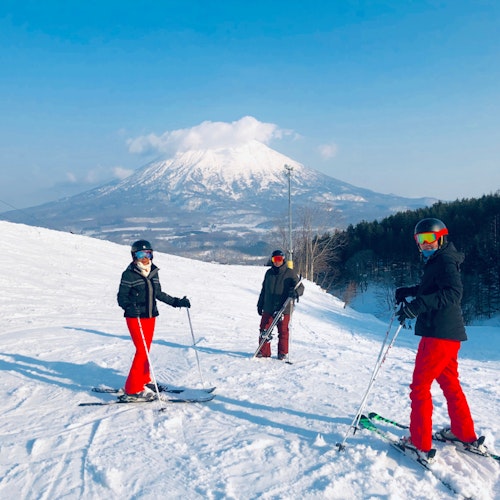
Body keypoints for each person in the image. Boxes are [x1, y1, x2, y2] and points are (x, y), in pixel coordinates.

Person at [395, 218, 485, 462]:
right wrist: (411, 291)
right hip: (448, 334)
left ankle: (419, 442)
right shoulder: (440, 259)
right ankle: (462, 432)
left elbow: (453, 293)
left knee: (419, 387)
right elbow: (434, 287)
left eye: (428, 239)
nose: (424, 245)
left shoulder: (444, 260)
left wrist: (419, 305)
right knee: (450, 384)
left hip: (438, 334)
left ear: (441, 238)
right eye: (419, 240)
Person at [117, 239, 191, 402]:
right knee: (141, 351)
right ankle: (132, 389)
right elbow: (121, 297)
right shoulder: (128, 274)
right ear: (134, 256)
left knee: (146, 351)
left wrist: (177, 302)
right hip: (135, 317)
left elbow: (158, 293)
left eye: (148, 254)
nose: (144, 257)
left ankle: (144, 380)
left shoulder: (153, 272)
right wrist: (129, 307)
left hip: (150, 317)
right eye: (140, 254)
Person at [256, 249, 304, 360]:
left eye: (279, 259)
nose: (277, 262)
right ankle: (263, 352)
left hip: (284, 308)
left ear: (283, 260)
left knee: (283, 331)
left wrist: (295, 292)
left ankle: (283, 353)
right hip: (268, 306)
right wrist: (260, 304)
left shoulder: (289, 273)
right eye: (274, 259)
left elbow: (300, 287)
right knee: (264, 329)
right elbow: (264, 290)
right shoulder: (269, 273)